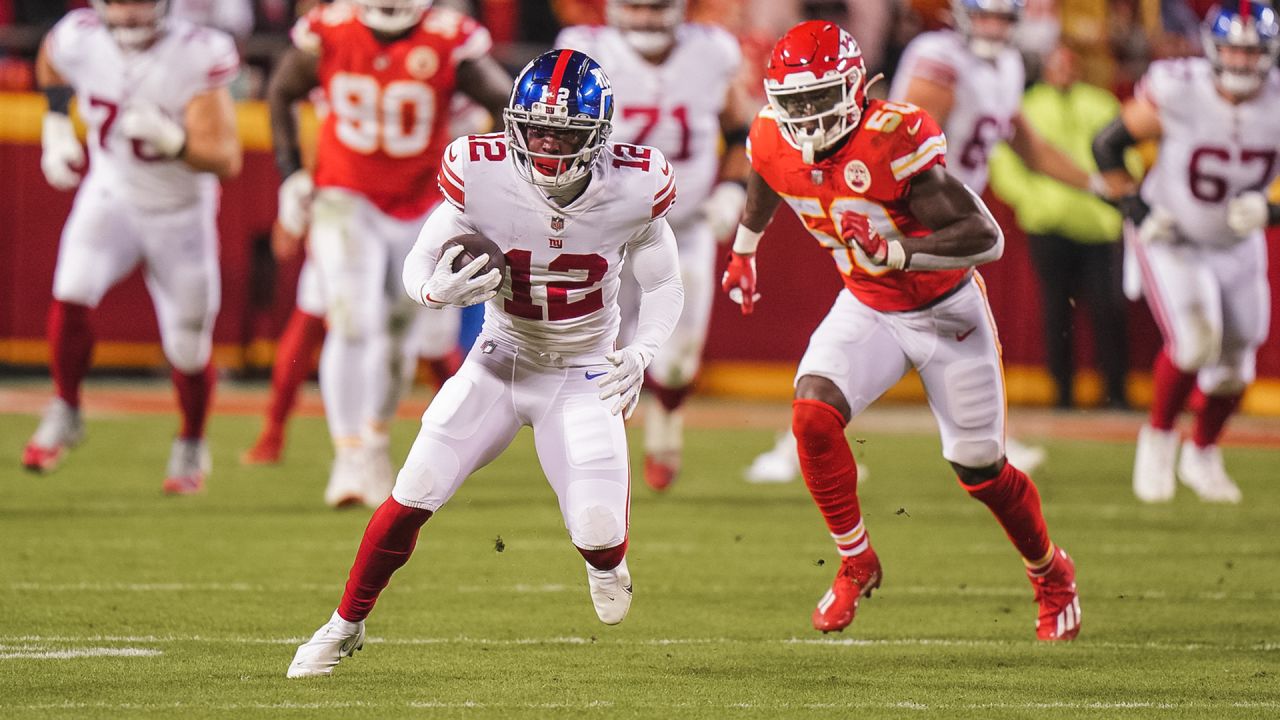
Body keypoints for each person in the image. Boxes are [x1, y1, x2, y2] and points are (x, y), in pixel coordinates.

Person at [286, 49, 684, 677]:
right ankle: (342, 625)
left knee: (599, 531)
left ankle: (605, 563)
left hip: (582, 370)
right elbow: (423, 256)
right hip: (500, 359)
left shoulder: (634, 186)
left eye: (566, 134)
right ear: (513, 124)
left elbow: (663, 285)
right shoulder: (481, 170)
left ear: (599, 135)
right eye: (537, 130)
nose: (548, 147)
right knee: (414, 490)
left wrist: (641, 351)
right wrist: (430, 292)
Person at [721, 21, 1080, 640]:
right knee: (812, 413)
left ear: (857, 88)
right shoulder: (771, 135)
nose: (805, 117)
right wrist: (744, 250)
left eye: (818, 99)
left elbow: (985, 237)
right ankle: (856, 559)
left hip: (947, 312)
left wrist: (897, 253)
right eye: (794, 103)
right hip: (869, 305)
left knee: (981, 470)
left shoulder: (891, 139)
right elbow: (765, 172)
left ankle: (1051, 570)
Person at [744, 0, 1093, 483]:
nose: (992, 28)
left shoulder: (1007, 66)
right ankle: (798, 441)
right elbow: (904, 149)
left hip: (950, 216)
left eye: (1002, 18)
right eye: (984, 16)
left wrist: (1096, 186)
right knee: (873, 323)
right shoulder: (939, 55)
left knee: (916, 328)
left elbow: (1027, 147)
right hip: (900, 209)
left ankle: (981, 436)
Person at [251, 0, 511, 507]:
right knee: (350, 320)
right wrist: (291, 174)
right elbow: (281, 89)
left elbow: (505, 104)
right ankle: (347, 454)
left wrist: (494, 182)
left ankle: (372, 443)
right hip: (345, 196)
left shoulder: (449, 38)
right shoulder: (330, 31)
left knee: (398, 335)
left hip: (419, 204)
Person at [23, 0, 242, 494]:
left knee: (187, 347)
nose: (129, 16)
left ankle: (190, 442)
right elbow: (51, 57)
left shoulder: (198, 51)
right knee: (72, 292)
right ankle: (66, 407)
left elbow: (226, 158)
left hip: (180, 213)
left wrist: (174, 141)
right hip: (110, 194)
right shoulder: (78, 36)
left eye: (140, 3)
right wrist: (55, 123)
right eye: (120, 3)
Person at [555, 0, 750, 491]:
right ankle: (603, 453)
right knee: (598, 347)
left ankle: (665, 422)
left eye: (655, 5)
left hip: (684, 224)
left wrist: (733, 188)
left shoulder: (712, 52)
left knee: (679, 355)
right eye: (635, 6)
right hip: (603, 225)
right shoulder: (584, 50)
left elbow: (742, 130)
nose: (645, 17)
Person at [1093, 1, 1280, 505]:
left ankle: (1203, 452)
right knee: (1196, 342)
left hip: (1237, 243)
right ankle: (1156, 442)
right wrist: (1137, 209)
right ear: (1214, 49)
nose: (1241, 63)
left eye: (1252, 52)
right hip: (1173, 233)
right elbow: (1106, 146)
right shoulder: (1179, 87)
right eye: (1233, 51)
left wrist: (1272, 210)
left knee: (1239, 365)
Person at [988, 44, 1131, 410]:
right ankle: (1063, 393)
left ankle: (1115, 392)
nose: (1064, 71)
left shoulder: (1100, 104)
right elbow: (1005, 161)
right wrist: (1032, 202)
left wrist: (1120, 193)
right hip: (1050, 224)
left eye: (1070, 64)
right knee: (1056, 312)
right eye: (1057, 65)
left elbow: (1127, 153)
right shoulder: (1029, 106)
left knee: (1109, 310)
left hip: (1098, 223)